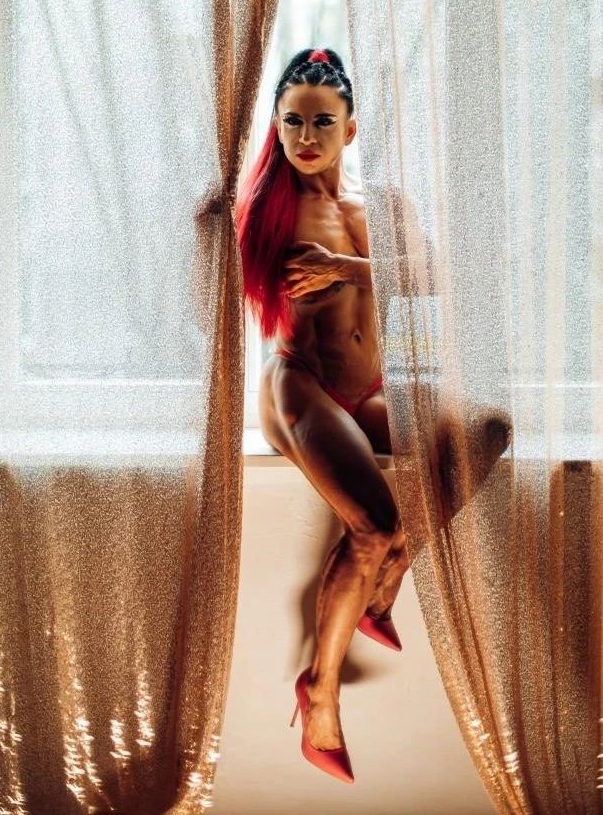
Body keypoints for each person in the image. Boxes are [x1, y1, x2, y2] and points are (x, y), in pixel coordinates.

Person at [235, 47, 512, 784]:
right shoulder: (266, 209)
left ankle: (390, 577)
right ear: (276, 125)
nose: (306, 136)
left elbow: (434, 275)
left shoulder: (382, 205)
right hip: (302, 385)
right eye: (292, 121)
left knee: (489, 431)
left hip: (370, 388)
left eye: (322, 121)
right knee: (372, 524)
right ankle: (320, 693)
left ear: (350, 129)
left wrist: (346, 270)